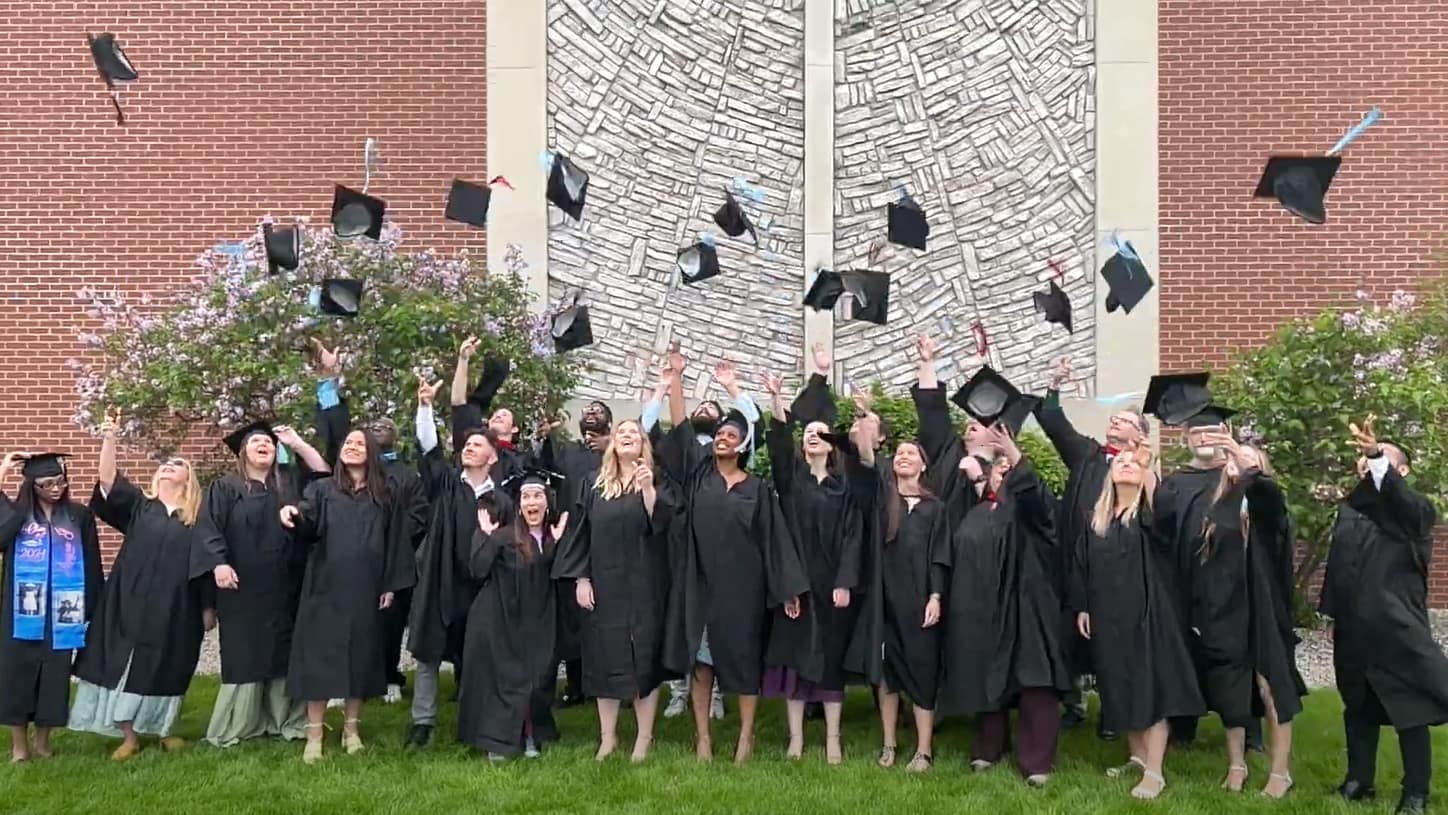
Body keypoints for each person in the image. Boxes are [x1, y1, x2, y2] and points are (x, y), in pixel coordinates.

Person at [657, 348, 806, 765]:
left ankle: (745, 736)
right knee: (701, 666)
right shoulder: (698, 474)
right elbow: (682, 424)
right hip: (700, 585)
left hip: (744, 590)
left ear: (742, 447)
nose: (722, 438)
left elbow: (773, 540)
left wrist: (787, 589)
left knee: (742, 668)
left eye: (730, 436)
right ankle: (703, 737)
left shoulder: (757, 489)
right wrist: (677, 377)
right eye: (719, 434)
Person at [1320, 416, 1448, 815]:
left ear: (1402, 471)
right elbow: (1338, 566)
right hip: (1354, 628)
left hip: (1395, 628)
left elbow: (1396, 497)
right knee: (1357, 706)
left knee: (1410, 710)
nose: (1366, 462)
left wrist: (1377, 455)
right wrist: (1329, 615)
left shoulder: (1414, 513)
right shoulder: (1352, 512)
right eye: (1363, 459)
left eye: (1378, 460)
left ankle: (1416, 793)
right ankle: (1359, 781)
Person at [70, 414, 213, 761]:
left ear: (188, 478)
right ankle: (129, 735)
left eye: (177, 464)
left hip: (178, 604)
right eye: (164, 464)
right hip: (128, 599)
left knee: (171, 664)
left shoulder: (200, 516)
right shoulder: (140, 506)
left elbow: (208, 565)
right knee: (125, 661)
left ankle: (163, 729)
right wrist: (110, 437)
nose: (168, 467)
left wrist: (209, 607)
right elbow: (107, 481)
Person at [938, 424, 1072, 786]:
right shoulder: (978, 512)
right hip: (985, 609)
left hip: (1030, 607)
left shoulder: (1033, 509)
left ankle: (1036, 761)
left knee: (1035, 681)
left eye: (1011, 470)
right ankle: (988, 748)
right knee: (988, 676)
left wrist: (1012, 453)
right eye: (1000, 469)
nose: (1007, 474)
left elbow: (1034, 495)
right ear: (989, 477)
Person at [1071, 440, 1205, 800]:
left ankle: (1155, 772)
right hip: (1107, 616)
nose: (1126, 465)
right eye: (1121, 462)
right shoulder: (1096, 519)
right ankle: (1137, 757)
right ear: (1109, 476)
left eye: (1134, 463)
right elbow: (1081, 565)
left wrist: (1149, 471)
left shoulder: (1150, 514)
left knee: (1150, 689)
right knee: (1118, 687)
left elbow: (1167, 518)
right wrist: (1082, 605)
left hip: (1148, 614)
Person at [279, 425, 418, 763]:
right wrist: (293, 515)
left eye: (359, 443)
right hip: (324, 585)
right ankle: (314, 734)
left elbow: (397, 541)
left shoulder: (385, 494)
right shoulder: (323, 489)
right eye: (348, 442)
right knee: (319, 659)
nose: (352, 446)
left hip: (367, 587)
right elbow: (308, 525)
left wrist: (390, 584)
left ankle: (351, 729)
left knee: (360, 657)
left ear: (371, 452)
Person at [758, 344, 865, 766]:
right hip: (797, 583)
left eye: (820, 433)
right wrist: (778, 398)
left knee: (831, 662)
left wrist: (844, 581)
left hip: (831, 584)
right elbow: (780, 442)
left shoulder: (844, 487)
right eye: (808, 434)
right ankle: (797, 739)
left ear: (830, 445)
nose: (811, 436)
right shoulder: (793, 481)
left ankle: (834, 739)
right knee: (796, 664)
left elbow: (854, 536)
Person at [191, 422, 328, 748]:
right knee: (245, 653)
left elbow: (324, 476)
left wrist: (296, 441)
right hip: (242, 587)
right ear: (243, 452)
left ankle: (286, 721)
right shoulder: (225, 488)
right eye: (255, 442)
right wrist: (219, 563)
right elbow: (208, 529)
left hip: (287, 585)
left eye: (268, 441)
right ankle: (239, 724)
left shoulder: (290, 482)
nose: (263, 445)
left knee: (285, 652)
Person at [309, 342, 430, 706]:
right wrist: (329, 380)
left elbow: (418, 515)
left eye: (386, 425)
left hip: (389, 560)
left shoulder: (406, 476)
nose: (378, 428)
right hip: (345, 561)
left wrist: (387, 541)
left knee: (389, 623)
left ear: (396, 437)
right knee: (341, 624)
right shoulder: (348, 472)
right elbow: (334, 432)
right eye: (370, 427)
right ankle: (337, 682)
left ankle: (390, 675)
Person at [644, 350, 760, 723]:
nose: (708, 413)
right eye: (704, 408)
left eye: (716, 410)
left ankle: (722, 695)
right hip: (688, 552)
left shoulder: (744, 470)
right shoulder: (694, 461)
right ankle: (686, 693)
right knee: (690, 627)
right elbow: (676, 422)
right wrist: (676, 378)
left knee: (729, 629)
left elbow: (753, 426)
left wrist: (731, 387)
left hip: (730, 562)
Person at [1038, 356, 1149, 740]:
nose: (1115, 422)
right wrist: (1054, 384)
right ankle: (1073, 702)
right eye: (1114, 418)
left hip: (1116, 569)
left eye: (1125, 421)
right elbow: (1053, 422)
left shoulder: (1141, 471)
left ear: (1139, 436)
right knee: (1068, 635)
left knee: (1112, 643)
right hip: (1073, 562)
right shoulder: (1087, 454)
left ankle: (1114, 713)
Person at [1189, 433, 1303, 798]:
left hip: (1265, 611)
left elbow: (1268, 499)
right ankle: (1236, 765)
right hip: (1226, 612)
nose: (1236, 460)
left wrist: (1248, 465)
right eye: (1233, 457)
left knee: (1272, 690)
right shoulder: (1218, 507)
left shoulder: (1265, 504)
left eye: (1247, 458)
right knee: (1232, 693)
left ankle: (1279, 772)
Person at [406, 368, 515, 749]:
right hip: (441, 578)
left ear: (492, 457)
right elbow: (430, 450)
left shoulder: (501, 499)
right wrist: (425, 408)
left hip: (482, 587)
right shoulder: (447, 484)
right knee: (429, 653)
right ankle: (423, 722)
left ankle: (475, 721)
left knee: (478, 654)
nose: (468, 448)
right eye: (466, 445)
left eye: (476, 445)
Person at [554, 419, 672, 762]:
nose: (626, 437)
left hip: (643, 583)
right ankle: (608, 738)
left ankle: (644, 737)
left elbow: (660, 526)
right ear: (612, 443)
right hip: (603, 583)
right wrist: (581, 578)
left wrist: (648, 489)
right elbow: (581, 533)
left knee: (642, 659)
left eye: (633, 434)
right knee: (603, 658)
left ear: (643, 445)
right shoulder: (593, 484)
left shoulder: (653, 479)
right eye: (621, 433)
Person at [845, 410, 949, 775]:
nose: (904, 457)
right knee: (886, 676)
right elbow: (866, 458)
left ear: (923, 465)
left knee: (922, 674)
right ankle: (889, 743)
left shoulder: (935, 508)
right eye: (899, 453)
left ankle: (923, 750)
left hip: (919, 601)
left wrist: (936, 596)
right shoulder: (881, 497)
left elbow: (940, 555)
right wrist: (864, 416)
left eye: (912, 454)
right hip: (882, 602)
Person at [456, 469, 570, 760]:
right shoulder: (505, 536)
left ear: (547, 503)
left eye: (538, 496)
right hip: (497, 619)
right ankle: (498, 741)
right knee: (503, 679)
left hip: (534, 619)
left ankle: (529, 733)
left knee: (535, 677)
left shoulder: (550, 537)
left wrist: (555, 544)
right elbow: (477, 569)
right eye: (526, 497)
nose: (532, 502)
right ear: (519, 506)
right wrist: (484, 535)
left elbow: (549, 575)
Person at [0, 452, 103, 762]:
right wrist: (3, 472)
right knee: (16, 676)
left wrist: (92, 608)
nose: (57, 488)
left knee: (55, 677)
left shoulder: (78, 516)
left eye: (60, 481)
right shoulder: (16, 515)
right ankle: (19, 746)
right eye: (48, 484)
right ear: (33, 486)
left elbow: (92, 563)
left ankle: (43, 742)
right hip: (20, 611)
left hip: (63, 611)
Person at [537, 397, 613, 709]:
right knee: (572, 620)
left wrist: (609, 448)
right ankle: (577, 685)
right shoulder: (568, 452)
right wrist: (544, 438)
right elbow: (546, 467)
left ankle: (612, 684)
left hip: (610, 544)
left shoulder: (617, 452)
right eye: (587, 412)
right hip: (572, 542)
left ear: (608, 422)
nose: (591, 414)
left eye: (597, 411)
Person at [450, 335, 527, 483]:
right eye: (495, 415)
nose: (498, 416)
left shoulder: (521, 461)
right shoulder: (474, 439)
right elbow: (459, 402)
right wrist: (463, 360)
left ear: (514, 428)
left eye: (504, 415)